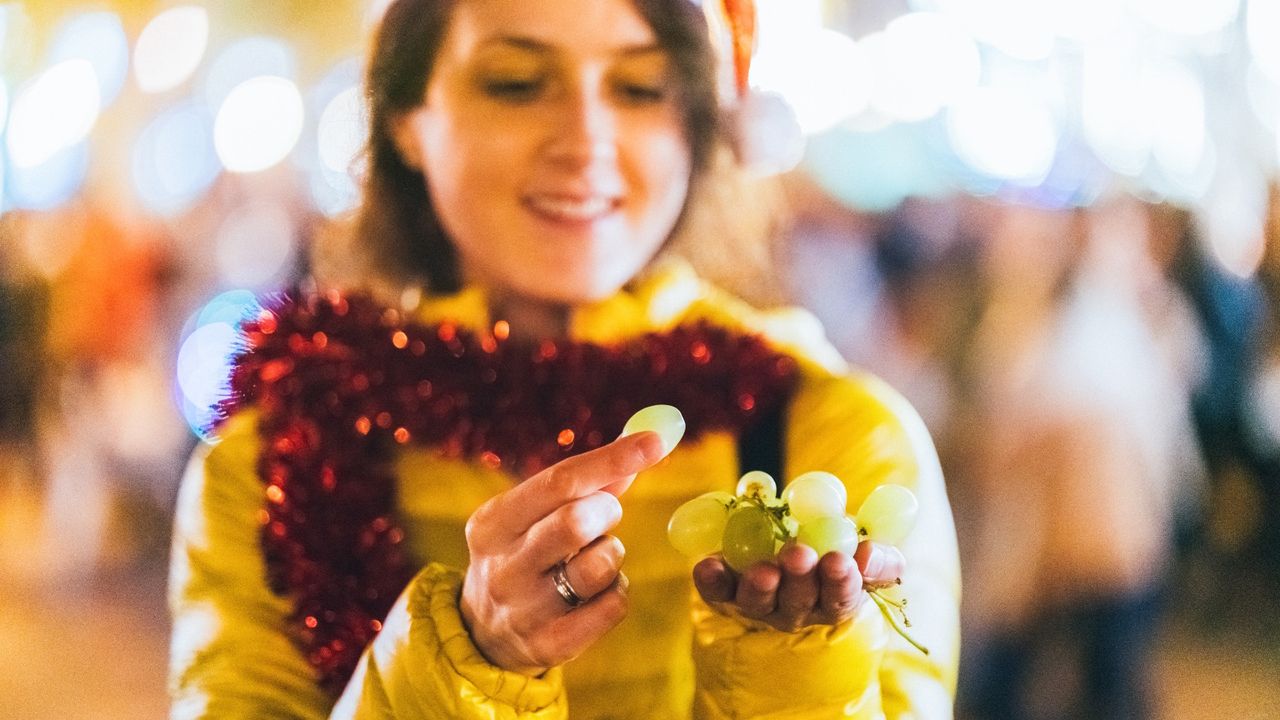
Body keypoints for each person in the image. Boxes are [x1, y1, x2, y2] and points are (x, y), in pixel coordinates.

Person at [167, 0, 960, 717]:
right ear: (407, 117)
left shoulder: (835, 430)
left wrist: (798, 663)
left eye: (640, 89)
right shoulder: (272, 458)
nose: (586, 141)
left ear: (697, 126)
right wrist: (465, 660)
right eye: (516, 83)